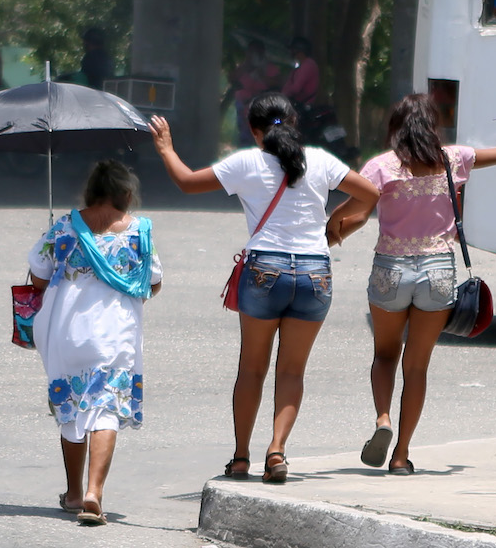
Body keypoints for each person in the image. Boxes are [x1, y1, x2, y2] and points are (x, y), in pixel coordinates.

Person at [148, 92, 378, 483]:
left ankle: (240, 457)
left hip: (265, 269)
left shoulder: (247, 162)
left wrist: (166, 148)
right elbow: (370, 193)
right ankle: (276, 452)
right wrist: (334, 229)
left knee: (252, 368)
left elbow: (187, 182)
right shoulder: (320, 160)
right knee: (292, 371)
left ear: (254, 130)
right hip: (314, 272)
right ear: (292, 122)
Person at [325, 93, 496, 475]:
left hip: (391, 268)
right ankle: (401, 455)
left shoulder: (381, 167)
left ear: (395, 127)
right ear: (432, 126)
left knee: (385, 355)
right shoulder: (453, 159)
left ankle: (383, 419)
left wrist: (330, 232)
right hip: (437, 271)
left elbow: (354, 213)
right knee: (416, 368)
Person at [27, 160, 162, 526]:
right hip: (115, 333)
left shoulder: (65, 226)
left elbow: (37, 279)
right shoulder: (139, 232)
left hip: (68, 331)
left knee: (71, 407)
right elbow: (152, 283)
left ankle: (72, 493)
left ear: (90, 191)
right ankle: (93, 493)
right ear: (127, 194)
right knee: (105, 407)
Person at [232, 40, 280, 146]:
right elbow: (232, 78)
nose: (253, 55)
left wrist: (260, 73)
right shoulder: (244, 66)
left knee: (261, 134)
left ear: (262, 52)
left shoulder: (270, 68)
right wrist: (246, 66)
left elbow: (276, 83)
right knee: (244, 135)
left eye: (256, 52)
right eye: (250, 52)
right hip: (243, 106)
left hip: (262, 107)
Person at [281, 37, 319, 107]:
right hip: (296, 105)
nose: (291, 52)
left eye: (292, 49)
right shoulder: (300, 66)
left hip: (302, 107)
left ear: (298, 50)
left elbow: (296, 89)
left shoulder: (308, 64)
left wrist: (284, 93)